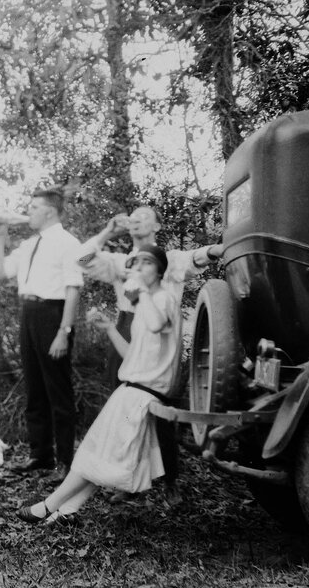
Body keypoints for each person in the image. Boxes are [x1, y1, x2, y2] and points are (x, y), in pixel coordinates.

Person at [15, 245, 180, 526]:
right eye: (135, 263)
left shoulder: (163, 298)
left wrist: (139, 292)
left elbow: (155, 325)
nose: (139, 268)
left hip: (143, 393)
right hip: (133, 388)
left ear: (160, 270)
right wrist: (110, 329)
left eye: (147, 263)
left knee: (96, 454)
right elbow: (133, 355)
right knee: (99, 455)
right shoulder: (148, 303)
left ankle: (47, 506)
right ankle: (66, 513)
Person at [81, 205, 222, 502]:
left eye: (145, 216)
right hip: (127, 327)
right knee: (124, 410)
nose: (137, 219)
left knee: (160, 411)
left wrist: (217, 249)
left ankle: (171, 481)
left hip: (160, 338)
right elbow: (83, 259)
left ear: (157, 227)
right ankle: (126, 482)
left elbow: (197, 258)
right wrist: (108, 231)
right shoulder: (121, 262)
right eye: (134, 216)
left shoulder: (168, 260)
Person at [0, 188, 83, 477]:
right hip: (28, 314)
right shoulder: (30, 244)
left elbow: (73, 289)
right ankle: (40, 454)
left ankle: (65, 461)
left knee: (58, 391)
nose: (28, 212)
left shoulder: (68, 243)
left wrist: (63, 332)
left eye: (33, 207)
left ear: (50, 212)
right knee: (34, 389)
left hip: (53, 315)